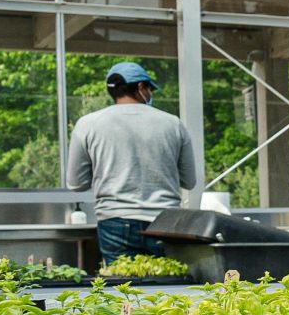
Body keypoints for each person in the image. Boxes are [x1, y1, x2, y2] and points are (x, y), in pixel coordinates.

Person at [66, 60, 199, 263]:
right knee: (168, 290)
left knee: (123, 291)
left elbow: (76, 183)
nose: (150, 94)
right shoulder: (173, 124)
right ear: (140, 87)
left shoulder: (88, 124)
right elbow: (189, 181)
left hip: (115, 221)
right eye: (149, 89)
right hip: (165, 222)